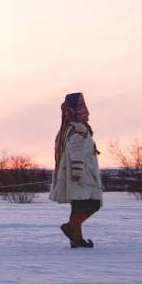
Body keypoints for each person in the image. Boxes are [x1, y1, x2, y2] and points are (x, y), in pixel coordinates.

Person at [50, 92, 103, 248]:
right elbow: (75, 148)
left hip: (71, 173)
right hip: (81, 174)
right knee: (93, 204)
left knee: (78, 205)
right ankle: (72, 227)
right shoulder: (79, 128)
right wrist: (77, 170)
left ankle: (77, 239)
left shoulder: (67, 128)